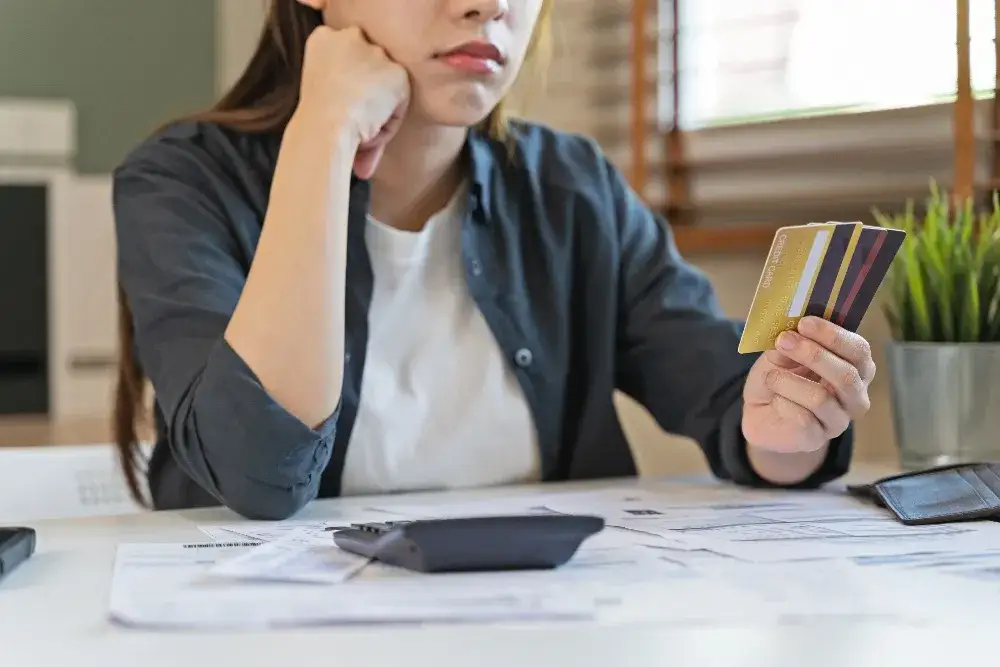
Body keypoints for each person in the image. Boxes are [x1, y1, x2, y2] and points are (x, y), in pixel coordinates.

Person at [112, 0, 875, 520]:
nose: (489, 2)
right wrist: (326, 129)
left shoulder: (572, 187)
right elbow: (258, 468)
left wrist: (786, 431)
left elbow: (731, 402)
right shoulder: (181, 184)